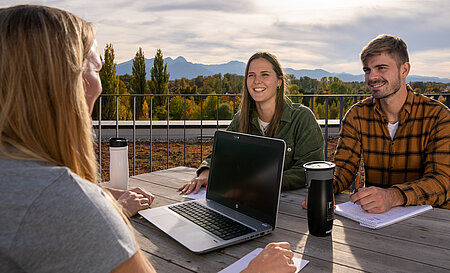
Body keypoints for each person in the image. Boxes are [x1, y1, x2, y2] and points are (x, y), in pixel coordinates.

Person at [0, 5, 297, 273]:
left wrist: (104, 199)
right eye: (96, 69)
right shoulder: (63, 201)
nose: (101, 85)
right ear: (65, 82)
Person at [304, 34, 450, 213]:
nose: (372, 77)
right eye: (367, 70)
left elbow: (443, 181)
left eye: (381, 68)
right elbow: (343, 169)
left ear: (404, 70)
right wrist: (324, 191)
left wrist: (393, 196)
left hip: (431, 221)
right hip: (374, 219)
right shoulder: (357, 115)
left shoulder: (438, 116)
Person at [180, 52, 324, 194]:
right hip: (247, 200)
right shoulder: (241, 119)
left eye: (265, 74)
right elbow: (220, 154)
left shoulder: (302, 118)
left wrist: (264, 181)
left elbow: (309, 168)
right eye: (251, 75)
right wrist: (206, 172)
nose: (256, 81)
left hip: (291, 205)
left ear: (279, 81)